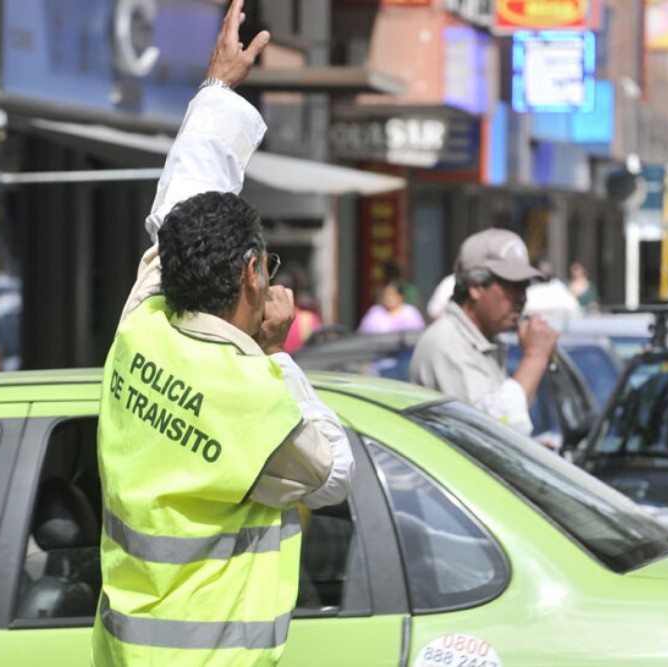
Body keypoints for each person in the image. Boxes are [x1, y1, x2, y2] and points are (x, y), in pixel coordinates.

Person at [91, 3, 353, 666]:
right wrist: (274, 354)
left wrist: (217, 89)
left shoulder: (141, 324)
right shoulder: (253, 400)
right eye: (267, 265)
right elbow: (333, 471)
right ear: (250, 276)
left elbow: (179, 210)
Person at [410, 228, 559, 436]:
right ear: (476, 287)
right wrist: (535, 358)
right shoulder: (447, 343)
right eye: (512, 286)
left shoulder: (480, 340)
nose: (522, 297)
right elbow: (492, 435)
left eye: (525, 286)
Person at [358, 279, 426, 334]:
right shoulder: (375, 313)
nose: (389, 298)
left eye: (393, 294)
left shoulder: (411, 312)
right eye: (386, 294)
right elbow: (363, 335)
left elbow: (419, 334)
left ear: (401, 296)